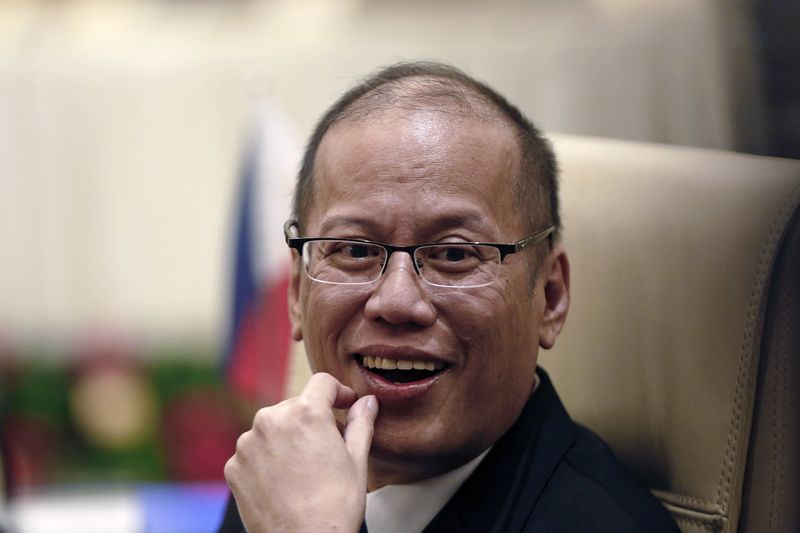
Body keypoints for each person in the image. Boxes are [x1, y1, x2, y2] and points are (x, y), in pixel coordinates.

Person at [219, 61, 679, 533]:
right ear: (296, 292)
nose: (396, 302)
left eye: (454, 254)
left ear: (551, 297)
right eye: (355, 250)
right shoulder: (282, 481)